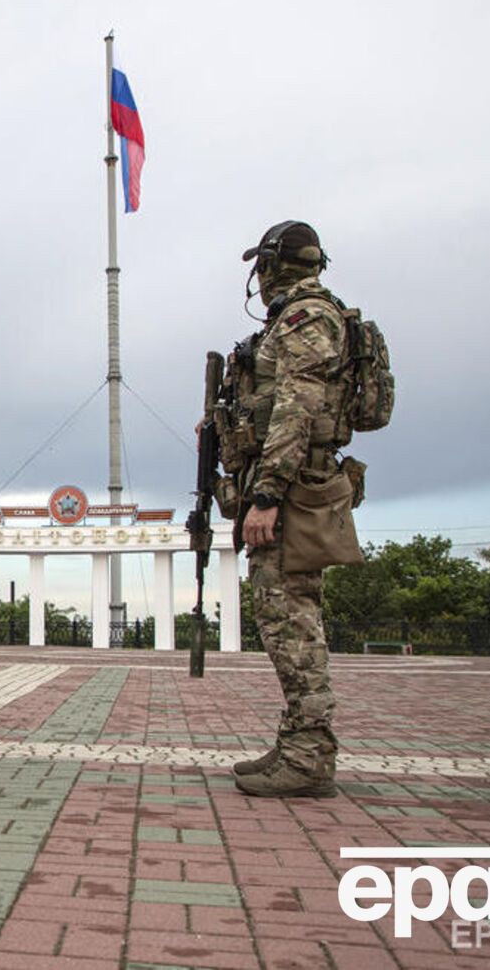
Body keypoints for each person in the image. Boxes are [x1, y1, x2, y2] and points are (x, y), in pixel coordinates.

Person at [221, 220, 360, 799]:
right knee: (285, 617)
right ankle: (300, 742)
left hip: (295, 491)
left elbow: (296, 410)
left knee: (291, 621)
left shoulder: (306, 317)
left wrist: (266, 496)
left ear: (275, 264)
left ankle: (308, 756)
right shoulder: (307, 315)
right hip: (298, 483)